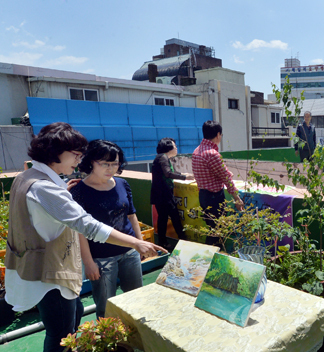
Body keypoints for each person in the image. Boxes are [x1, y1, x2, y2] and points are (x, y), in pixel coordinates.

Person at [4, 122, 164, 352]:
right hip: (49, 272)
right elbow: (86, 225)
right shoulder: (46, 188)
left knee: (75, 314)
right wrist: (136, 242)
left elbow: (130, 214)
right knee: (61, 332)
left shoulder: (30, 176)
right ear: (55, 152)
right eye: (76, 155)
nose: (79, 161)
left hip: (44, 266)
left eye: (115, 163)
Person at [69, 140, 143, 318]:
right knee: (105, 307)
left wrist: (139, 245)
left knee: (137, 299)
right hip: (101, 258)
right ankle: (110, 342)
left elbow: (132, 216)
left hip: (129, 253)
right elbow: (79, 231)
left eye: (115, 163)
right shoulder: (79, 191)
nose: (110, 168)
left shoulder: (122, 184)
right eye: (105, 163)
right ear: (91, 162)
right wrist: (88, 263)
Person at [192, 121, 243, 248]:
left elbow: (211, 173)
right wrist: (237, 198)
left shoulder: (197, 151)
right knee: (217, 232)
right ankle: (210, 258)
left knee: (212, 229)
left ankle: (208, 257)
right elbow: (227, 179)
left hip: (203, 196)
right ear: (218, 135)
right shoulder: (212, 154)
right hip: (215, 198)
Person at [151, 137, 194, 250]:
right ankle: (182, 240)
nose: (176, 149)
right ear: (169, 148)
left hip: (161, 194)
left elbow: (169, 172)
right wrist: (184, 177)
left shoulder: (162, 158)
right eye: (175, 146)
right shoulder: (163, 158)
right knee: (173, 217)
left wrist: (181, 173)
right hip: (164, 195)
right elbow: (168, 173)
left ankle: (163, 241)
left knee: (164, 218)